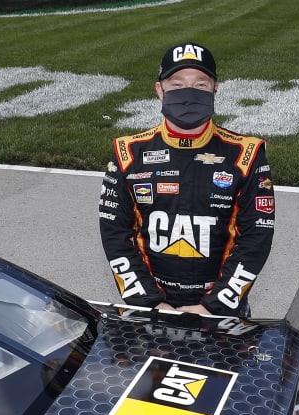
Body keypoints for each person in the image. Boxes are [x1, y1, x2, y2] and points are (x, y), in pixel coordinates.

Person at [99, 42, 274, 316]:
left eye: (200, 85)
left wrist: (212, 307)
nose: (189, 94)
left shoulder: (246, 154)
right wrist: (151, 304)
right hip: (148, 307)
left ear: (216, 89)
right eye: (177, 84)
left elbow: (256, 239)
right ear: (160, 90)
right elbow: (116, 236)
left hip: (220, 311)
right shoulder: (127, 153)